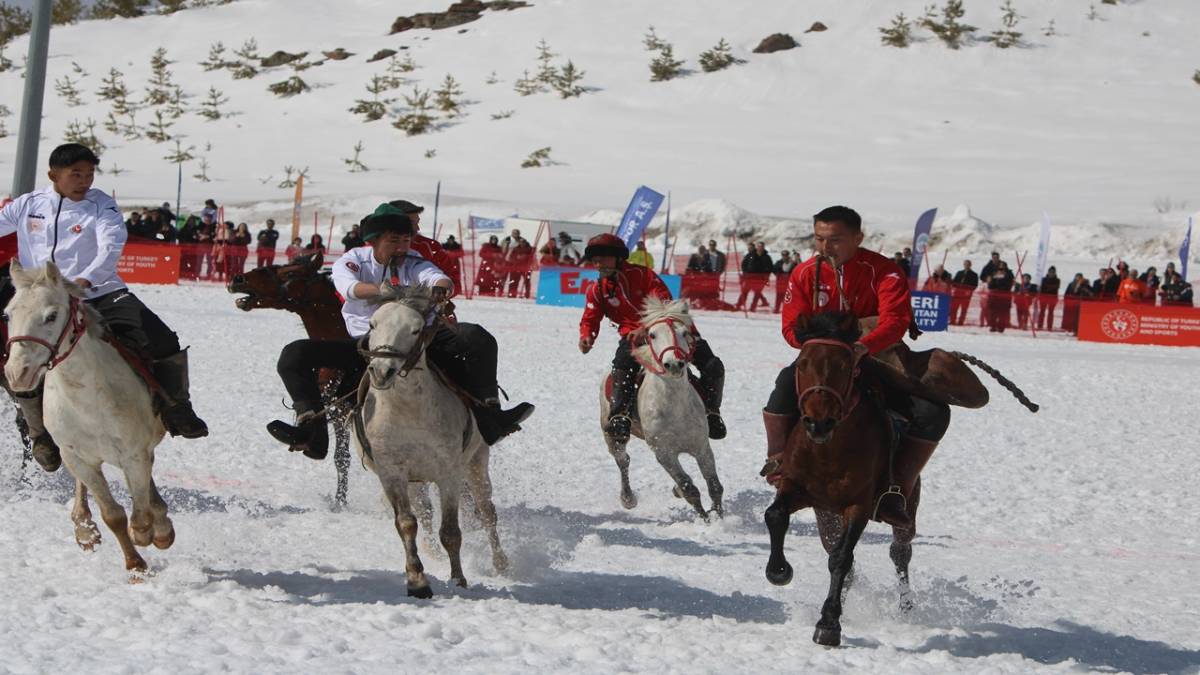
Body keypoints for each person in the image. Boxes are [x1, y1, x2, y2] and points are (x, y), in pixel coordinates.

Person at [0, 143, 208, 472]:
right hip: (41, 297)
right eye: (76, 174)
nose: (84, 181)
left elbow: (111, 243)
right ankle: (40, 433)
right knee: (18, 353)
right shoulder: (27, 205)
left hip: (97, 291)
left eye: (89, 174)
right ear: (53, 175)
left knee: (162, 338)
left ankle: (177, 407)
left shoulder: (102, 205)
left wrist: (87, 278)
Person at [267, 212, 534, 455]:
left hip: (417, 341)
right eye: (395, 241)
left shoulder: (415, 263)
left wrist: (441, 289)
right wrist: (388, 291)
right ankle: (311, 430)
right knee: (294, 355)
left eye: (406, 241)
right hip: (367, 345)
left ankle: (491, 416)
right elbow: (351, 289)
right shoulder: (353, 261)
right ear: (373, 241)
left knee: (477, 337)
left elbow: (438, 279)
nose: (402, 248)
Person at [763, 205, 950, 529]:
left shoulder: (885, 271)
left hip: (878, 357)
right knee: (783, 386)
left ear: (858, 238)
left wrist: (863, 346)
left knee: (933, 412)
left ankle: (897, 489)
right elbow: (791, 327)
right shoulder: (805, 272)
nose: (825, 247)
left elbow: (895, 321)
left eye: (835, 240)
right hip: (823, 359)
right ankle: (778, 463)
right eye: (819, 239)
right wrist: (822, 344)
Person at [578, 233, 726, 441]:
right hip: (633, 340)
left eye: (603, 258)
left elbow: (665, 303)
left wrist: (645, 326)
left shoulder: (644, 275)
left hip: (672, 332)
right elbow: (590, 317)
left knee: (713, 366)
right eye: (594, 260)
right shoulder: (597, 290)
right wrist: (587, 336)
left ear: (618, 258)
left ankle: (711, 412)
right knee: (622, 366)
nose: (598, 263)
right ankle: (620, 416)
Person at [737, 241, 773, 311]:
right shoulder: (750, 255)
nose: (760, 248)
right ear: (757, 247)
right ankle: (739, 304)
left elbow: (770, 268)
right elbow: (744, 264)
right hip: (749, 278)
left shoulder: (767, 257)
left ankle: (753, 307)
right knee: (745, 292)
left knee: (757, 293)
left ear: (763, 247)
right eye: (759, 246)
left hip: (760, 279)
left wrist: (766, 277)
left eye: (761, 247)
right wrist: (745, 273)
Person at [986, 261, 1015, 332]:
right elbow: (990, 285)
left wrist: (1001, 281)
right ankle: (993, 326)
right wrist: (990, 282)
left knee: (1002, 313)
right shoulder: (994, 273)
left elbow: (1009, 284)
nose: (1001, 267)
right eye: (1000, 265)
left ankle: (1001, 327)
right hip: (994, 295)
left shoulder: (1009, 274)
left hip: (1004, 296)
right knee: (993, 312)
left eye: (1003, 265)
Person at [950, 260, 978, 326]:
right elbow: (954, 282)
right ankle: (952, 320)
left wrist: (969, 291)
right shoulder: (959, 273)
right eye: (965, 264)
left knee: (964, 309)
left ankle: (961, 321)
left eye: (968, 264)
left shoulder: (974, 275)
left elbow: (974, 285)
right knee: (954, 308)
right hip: (957, 294)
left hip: (966, 295)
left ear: (970, 265)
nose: (966, 266)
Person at [772, 249, 797, 313]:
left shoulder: (792, 263)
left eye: (786, 255)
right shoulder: (779, 262)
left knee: (788, 298)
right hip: (780, 283)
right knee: (778, 297)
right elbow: (774, 269)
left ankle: (788, 309)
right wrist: (778, 275)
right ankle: (776, 309)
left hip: (788, 284)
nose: (784, 256)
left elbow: (797, 269)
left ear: (788, 255)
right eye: (783, 255)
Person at [1037, 266, 1060, 331]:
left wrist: (1048, 287)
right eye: (1050, 272)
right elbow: (1043, 287)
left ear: (1055, 273)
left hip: (1053, 298)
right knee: (1042, 311)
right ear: (1048, 272)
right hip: (1043, 297)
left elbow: (1056, 287)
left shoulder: (1057, 280)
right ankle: (1040, 325)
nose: (1051, 273)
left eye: (1053, 272)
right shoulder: (1044, 279)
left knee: (1051, 312)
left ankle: (1049, 326)